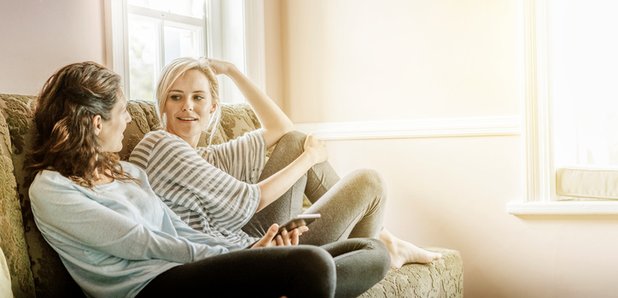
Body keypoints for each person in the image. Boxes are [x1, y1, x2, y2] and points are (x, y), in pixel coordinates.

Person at [25, 61, 390, 298]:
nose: (129, 122)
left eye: (199, 98)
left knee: (373, 253)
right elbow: (140, 242)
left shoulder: (128, 174)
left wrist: (249, 252)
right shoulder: (51, 188)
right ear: (96, 123)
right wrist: (239, 254)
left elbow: (174, 230)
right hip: (150, 287)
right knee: (314, 265)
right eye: (122, 113)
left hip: (192, 264)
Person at [129, 57, 442, 268]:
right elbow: (252, 200)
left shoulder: (207, 157)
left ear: (213, 106)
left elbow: (283, 131)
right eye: (176, 97)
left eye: (198, 97)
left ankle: (378, 246)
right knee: (369, 183)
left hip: (248, 238)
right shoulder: (161, 145)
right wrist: (309, 159)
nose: (187, 107)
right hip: (241, 254)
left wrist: (233, 71)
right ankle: (377, 247)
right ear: (163, 104)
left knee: (295, 141)